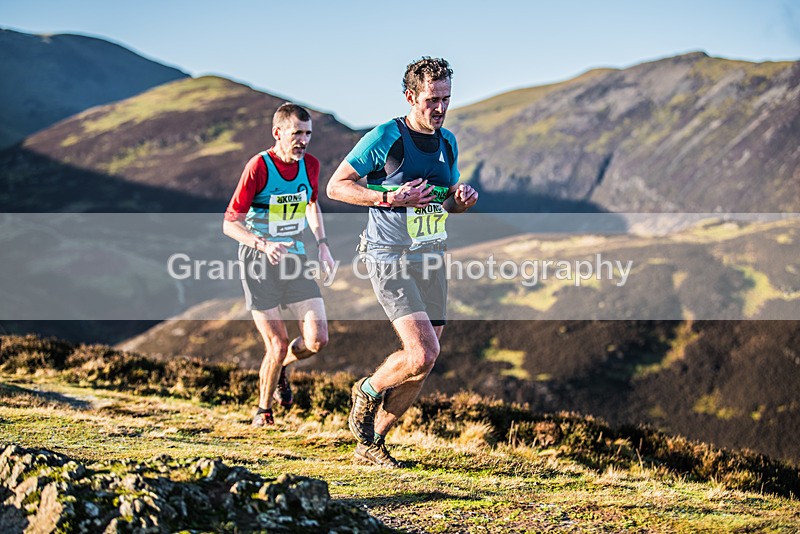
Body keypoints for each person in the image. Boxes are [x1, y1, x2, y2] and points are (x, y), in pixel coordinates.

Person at [326, 57, 478, 467]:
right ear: (411, 96)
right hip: (389, 256)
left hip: (431, 258)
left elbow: (442, 202)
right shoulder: (386, 137)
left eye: (446, 99)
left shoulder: (448, 142)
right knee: (421, 354)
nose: (441, 108)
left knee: (425, 363)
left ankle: (369, 445)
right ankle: (368, 390)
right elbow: (336, 186)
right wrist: (388, 197)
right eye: (432, 99)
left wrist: (458, 202)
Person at [223, 102, 333, 427]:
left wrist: (322, 245)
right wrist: (263, 244)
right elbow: (229, 224)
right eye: (297, 133)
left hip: (295, 257)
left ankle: (282, 365)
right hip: (258, 260)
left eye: (308, 134)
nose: (303, 140)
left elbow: (312, 203)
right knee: (277, 342)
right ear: (278, 133)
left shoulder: (310, 165)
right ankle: (263, 411)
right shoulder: (258, 166)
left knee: (317, 339)